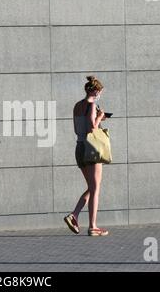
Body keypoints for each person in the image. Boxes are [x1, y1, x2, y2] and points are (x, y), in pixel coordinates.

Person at [64, 76, 109, 236]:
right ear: (96, 91)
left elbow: (78, 128)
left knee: (92, 187)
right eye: (101, 92)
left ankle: (74, 215)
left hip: (79, 147)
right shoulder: (92, 105)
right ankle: (93, 226)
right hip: (91, 149)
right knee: (96, 189)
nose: (100, 95)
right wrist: (99, 117)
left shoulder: (77, 105)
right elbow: (92, 128)